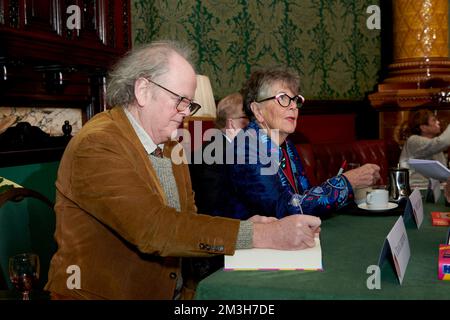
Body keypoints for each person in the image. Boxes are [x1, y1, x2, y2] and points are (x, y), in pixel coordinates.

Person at [44, 41, 321, 300]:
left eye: (189, 103)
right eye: (180, 100)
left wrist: (247, 227)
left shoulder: (171, 143)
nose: (185, 112)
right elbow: (155, 229)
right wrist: (259, 234)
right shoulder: (98, 143)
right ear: (143, 90)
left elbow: (188, 219)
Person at [219, 67, 380, 219]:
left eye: (295, 100)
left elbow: (303, 197)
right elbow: (283, 210)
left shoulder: (286, 146)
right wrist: (347, 182)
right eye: (282, 98)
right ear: (257, 110)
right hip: (253, 246)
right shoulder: (246, 150)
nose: (293, 106)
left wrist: (349, 185)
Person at [190, 92, 248, 216]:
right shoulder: (215, 155)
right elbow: (213, 208)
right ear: (232, 123)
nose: (253, 125)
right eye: (247, 119)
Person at [399, 109, 450, 186]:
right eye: (434, 120)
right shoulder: (413, 140)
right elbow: (442, 142)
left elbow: (443, 174)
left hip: (433, 188)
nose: (438, 122)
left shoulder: (434, 144)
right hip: (416, 189)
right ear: (423, 127)